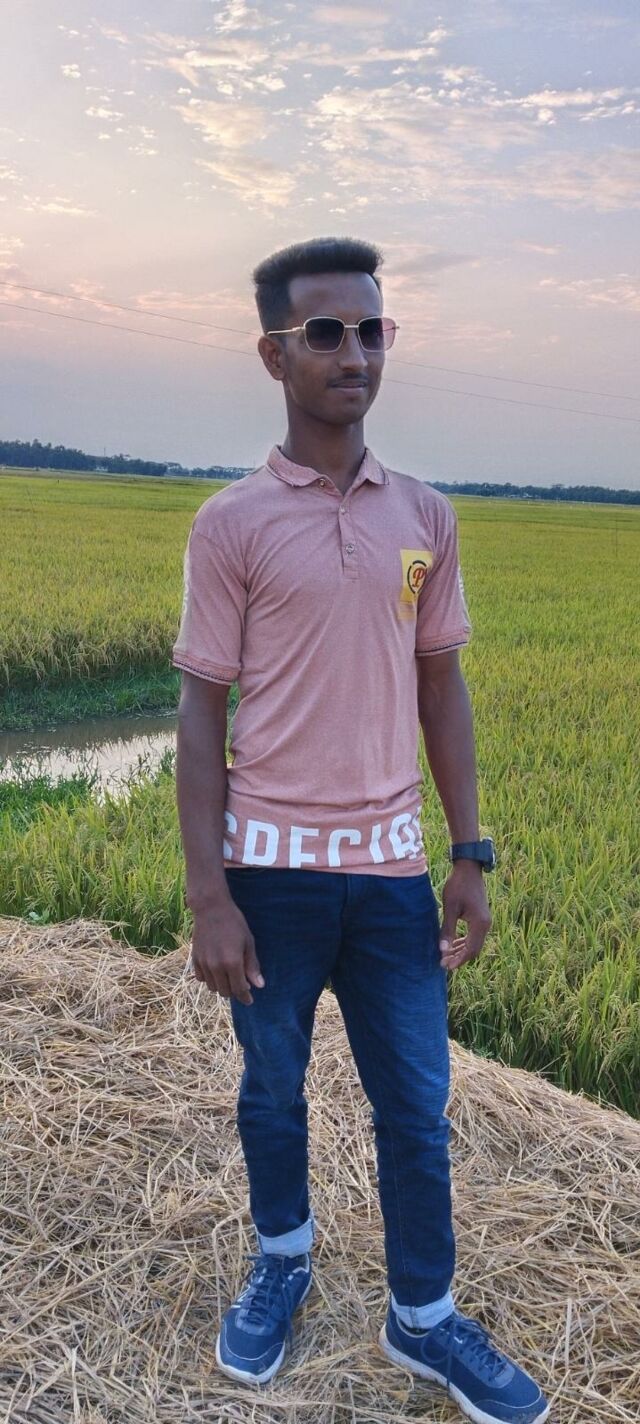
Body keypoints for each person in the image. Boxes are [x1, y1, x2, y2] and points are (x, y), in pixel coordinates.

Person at [171, 236, 549, 1424]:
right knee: (272, 1092)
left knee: (415, 1109)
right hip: (269, 874)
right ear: (273, 354)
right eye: (326, 331)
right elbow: (200, 711)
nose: (355, 352)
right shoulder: (230, 522)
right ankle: (282, 1258)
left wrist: (469, 852)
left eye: (372, 329)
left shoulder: (423, 513)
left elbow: (442, 688)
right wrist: (209, 894)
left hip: (390, 878)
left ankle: (422, 1316)